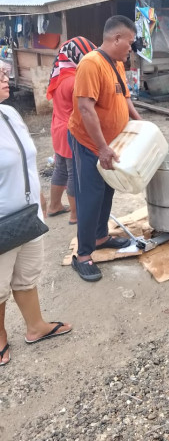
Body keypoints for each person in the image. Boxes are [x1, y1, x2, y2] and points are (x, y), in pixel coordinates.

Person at [0, 61, 72, 366]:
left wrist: (40, 195)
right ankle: (0, 337)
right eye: (0, 75)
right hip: (3, 220)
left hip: (28, 215)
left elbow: (27, 160)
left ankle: (35, 326)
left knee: (26, 276)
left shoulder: (10, 114)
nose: (6, 78)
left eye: (4, 73)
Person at [68, 16, 142, 282]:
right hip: (89, 142)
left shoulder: (117, 63)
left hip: (109, 143)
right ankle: (83, 255)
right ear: (116, 39)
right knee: (90, 195)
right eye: (130, 43)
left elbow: (124, 96)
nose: (131, 49)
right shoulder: (91, 64)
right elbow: (86, 108)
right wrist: (101, 147)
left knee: (107, 188)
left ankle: (100, 236)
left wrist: (139, 122)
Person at [46, 37, 96, 225]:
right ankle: (75, 215)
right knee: (74, 171)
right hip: (70, 131)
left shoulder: (60, 75)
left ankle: (54, 206)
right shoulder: (75, 80)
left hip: (57, 127)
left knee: (60, 169)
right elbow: (84, 109)